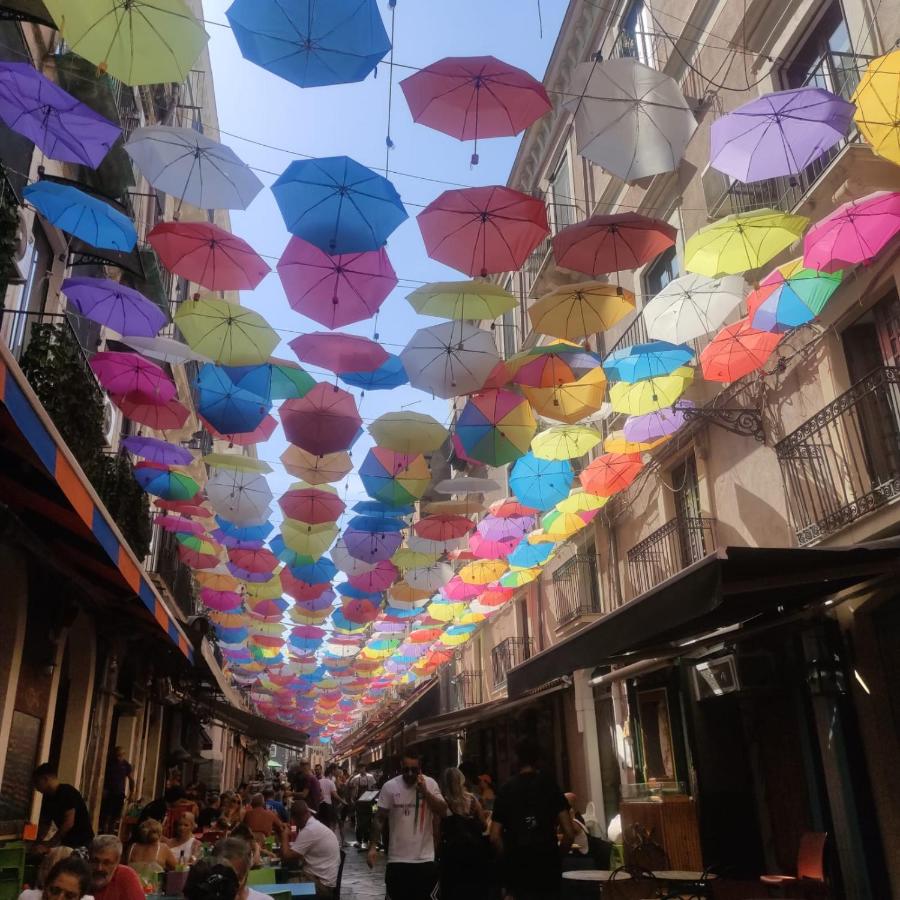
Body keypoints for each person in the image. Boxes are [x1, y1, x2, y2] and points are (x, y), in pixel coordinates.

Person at [489, 739, 574, 900]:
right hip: (547, 865)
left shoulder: (506, 790)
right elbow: (569, 833)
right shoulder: (550, 786)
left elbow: (494, 836)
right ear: (537, 759)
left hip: (518, 866)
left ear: (517, 759)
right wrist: (557, 856)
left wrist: (507, 858)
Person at [367, 751, 448, 900]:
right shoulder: (390, 787)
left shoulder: (430, 784)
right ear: (401, 767)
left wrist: (425, 792)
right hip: (397, 860)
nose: (410, 773)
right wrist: (373, 846)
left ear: (420, 768)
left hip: (424, 859)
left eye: (414, 770)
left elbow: (443, 811)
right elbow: (379, 818)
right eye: (406, 769)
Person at [438, 767, 491, 900]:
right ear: (461, 780)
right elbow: (484, 825)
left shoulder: (443, 802)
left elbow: (438, 828)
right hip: (473, 853)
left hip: (451, 855)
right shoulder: (472, 800)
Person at [279, 799, 340, 899]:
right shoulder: (314, 825)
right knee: (287, 879)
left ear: (296, 818)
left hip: (321, 885)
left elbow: (286, 856)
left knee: (283, 890)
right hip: (323, 879)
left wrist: (284, 836)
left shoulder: (309, 830)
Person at [33, 764, 95, 851]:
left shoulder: (66, 792)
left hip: (82, 842)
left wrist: (50, 843)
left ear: (45, 779)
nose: (36, 787)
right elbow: (45, 823)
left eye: (37, 782)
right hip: (67, 841)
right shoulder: (47, 797)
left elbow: (68, 823)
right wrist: (37, 842)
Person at [18, 848, 94, 900]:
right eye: (55, 891)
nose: (59, 898)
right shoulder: (28, 898)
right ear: (46, 886)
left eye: (69, 896)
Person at [89, 835, 145, 900]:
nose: (99, 868)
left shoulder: (126, 876)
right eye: (95, 861)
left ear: (117, 862)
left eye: (106, 863)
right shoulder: (81, 875)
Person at [100, 749, 134, 835]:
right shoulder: (109, 763)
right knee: (106, 815)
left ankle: (110, 834)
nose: (118, 757)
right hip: (109, 793)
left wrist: (131, 793)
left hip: (119, 794)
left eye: (120, 755)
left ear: (123, 755)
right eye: (117, 755)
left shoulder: (126, 765)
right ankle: (104, 832)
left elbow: (131, 779)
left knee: (115, 817)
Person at [346, 763, 376, 849]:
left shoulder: (370, 777)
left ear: (365, 768)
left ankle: (366, 841)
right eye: (359, 768)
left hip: (368, 802)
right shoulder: (355, 778)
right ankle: (359, 841)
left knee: (368, 822)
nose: (361, 770)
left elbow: (374, 787)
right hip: (359, 803)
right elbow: (351, 788)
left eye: (362, 768)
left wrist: (373, 798)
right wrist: (352, 799)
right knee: (359, 822)